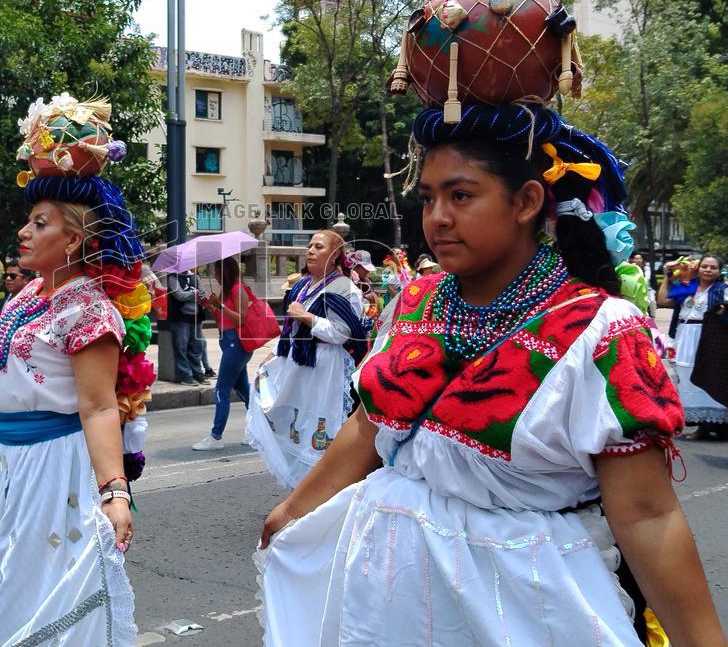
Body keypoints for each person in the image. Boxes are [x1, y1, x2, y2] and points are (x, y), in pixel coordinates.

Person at [254, 101, 727, 646]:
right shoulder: (416, 302)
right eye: (428, 198)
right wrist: (291, 509)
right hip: (385, 593)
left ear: (526, 201)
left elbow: (647, 516)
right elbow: (371, 424)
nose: (437, 218)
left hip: (525, 604)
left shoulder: (601, 330)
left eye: (460, 195)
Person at [0, 93, 150, 646]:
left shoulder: (89, 308)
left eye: (40, 223)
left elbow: (96, 406)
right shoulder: (31, 293)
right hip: (7, 467)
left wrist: (115, 491)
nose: (24, 232)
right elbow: (20, 373)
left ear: (73, 239)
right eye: (28, 220)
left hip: (52, 473)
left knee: (25, 608)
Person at [245, 230, 366, 488]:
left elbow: (343, 333)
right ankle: (301, 491)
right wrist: (276, 352)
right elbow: (291, 330)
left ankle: (321, 491)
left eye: (318, 247)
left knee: (318, 427)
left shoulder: (345, 288)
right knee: (292, 421)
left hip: (326, 368)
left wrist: (307, 317)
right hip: (299, 363)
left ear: (334, 257)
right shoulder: (302, 284)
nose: (310, 250)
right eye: (310, 245)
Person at [658, 254, 728, 439]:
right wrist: (667, 277)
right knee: (686, 377)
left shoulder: (722, 290)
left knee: (708, 374)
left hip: (708, 338)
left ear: (719, 271)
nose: (708, 270)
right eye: (705, 266)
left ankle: (710, 426)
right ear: (699, 268)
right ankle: (698, 424)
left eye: (713, 267)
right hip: (684, 335)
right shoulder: (688, 288)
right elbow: (664, 301)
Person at [193, 257, 250, 450]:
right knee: (244, 391)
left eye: (217, 272)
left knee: (221, 390)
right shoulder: (225, 291)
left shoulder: (237, 289)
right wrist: (211, 306)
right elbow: (222, 319)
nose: (214, 276)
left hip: (237, 344)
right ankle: (260, 430)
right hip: (228, 342)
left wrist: (220, 306)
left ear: (225, 272)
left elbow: (242, 319)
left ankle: (216, 437)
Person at [166, 268, 208, 385]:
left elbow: (203, 294)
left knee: (196, 347)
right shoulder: (173, 278)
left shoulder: (195, 277)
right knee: (181, 347)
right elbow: (179, 295)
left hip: (196, 317)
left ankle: (197, 373)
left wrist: (193, 294)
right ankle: (186, 376)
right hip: (180, 318)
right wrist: (194, 293)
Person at [631, 251, 657, 317]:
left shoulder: (646, 268)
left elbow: (647, 278)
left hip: (647, 289)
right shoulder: (631, 268)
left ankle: (653, 316)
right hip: (635, 289)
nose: (637, 260)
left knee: (652, 301)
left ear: (642, 260)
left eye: (639, 258)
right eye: (636, 259)